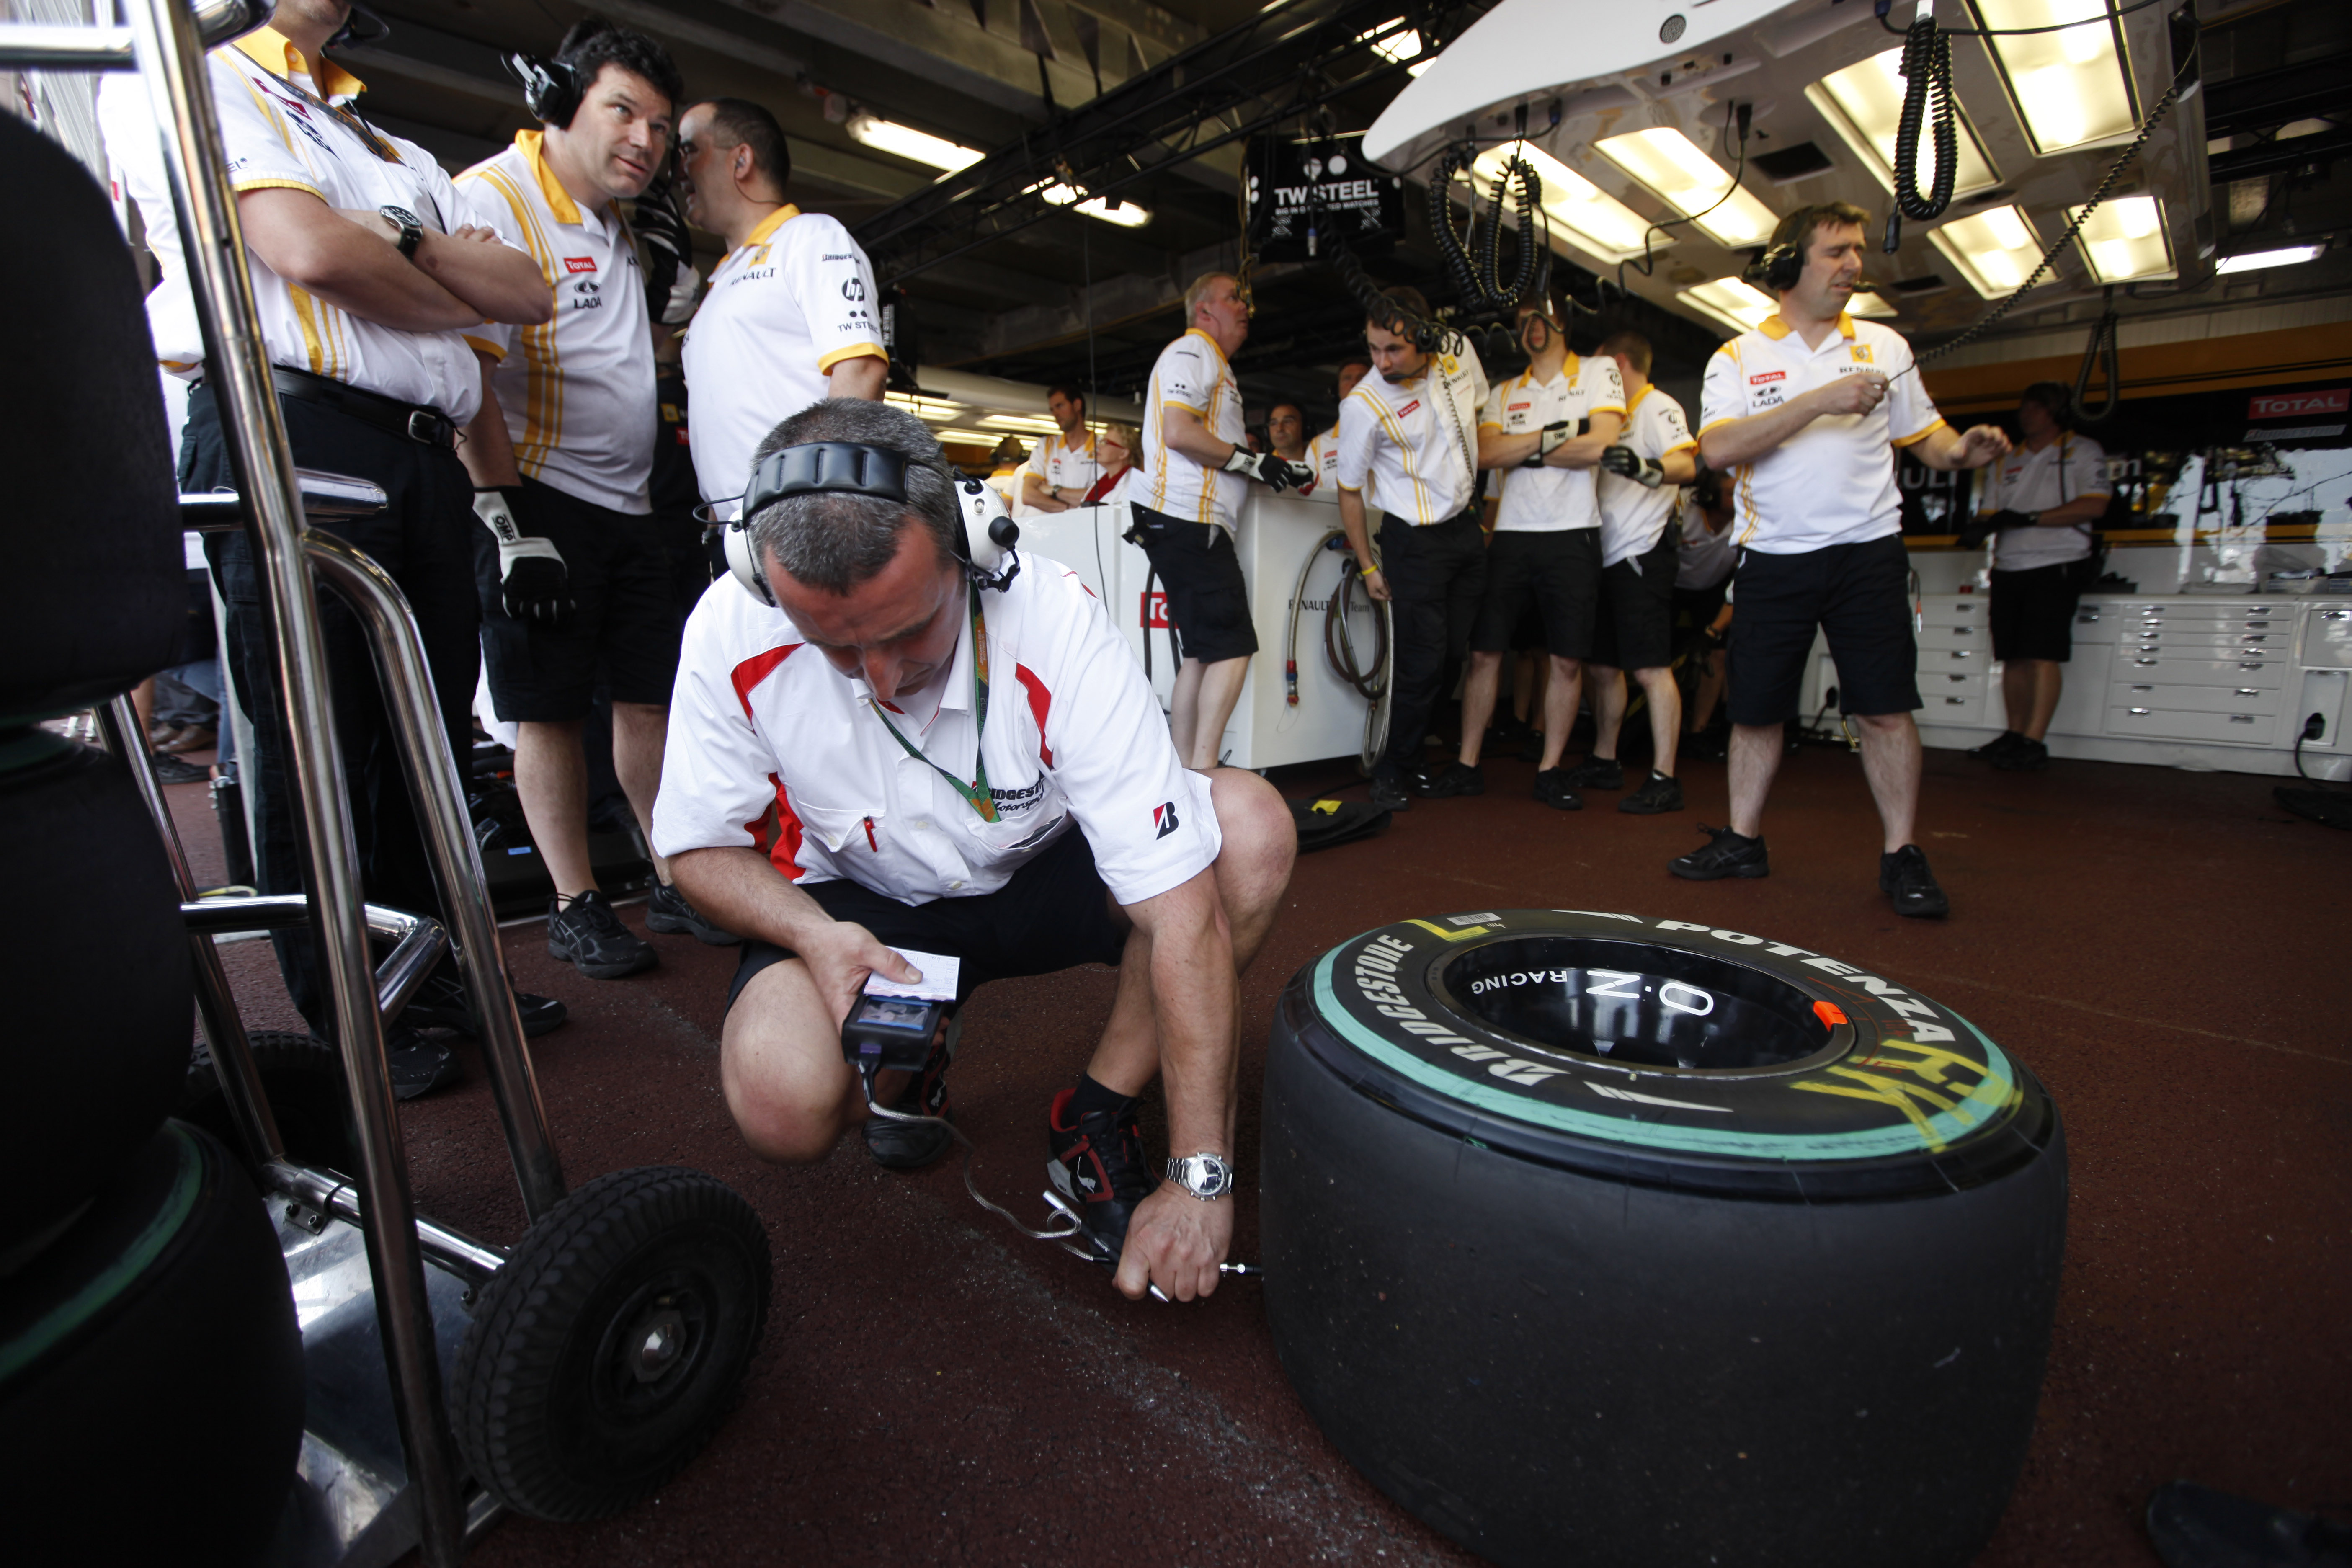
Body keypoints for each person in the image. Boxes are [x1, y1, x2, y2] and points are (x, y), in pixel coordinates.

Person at [652, 399, 1295, 1301]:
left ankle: (1094, 1112)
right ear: (764, 585)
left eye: (908, 631)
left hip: (1042, 874)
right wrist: (812, 936)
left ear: (972, 549)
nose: (883, 680)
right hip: (861, 906)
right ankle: (914, 1056)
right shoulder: (731, 627)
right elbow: (694, 849)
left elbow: (1184, 915)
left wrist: (1199, 1177)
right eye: (837, 647)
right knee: (779, 1103)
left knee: (1250, 829)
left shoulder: (1053, 616)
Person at [98, 0, 561, 1096]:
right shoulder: (200, 71)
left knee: (424, 740)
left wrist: (390, 244)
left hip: (424, 451)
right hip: (289, 421)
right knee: (319, 738)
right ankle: (348, 1006)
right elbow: (305, 249)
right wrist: (441, 278)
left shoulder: (396, 151)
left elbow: (523, 296)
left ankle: (430, 971)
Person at [456, 22, 730, 977]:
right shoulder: (494, 197)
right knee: (551, 708)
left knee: (649, 699)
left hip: (634, 501)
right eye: (623, 112)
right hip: (540, 495)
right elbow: (465, 372)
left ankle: (667, 871)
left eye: (658, 125)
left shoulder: (622, 222)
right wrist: (505, 517)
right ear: (564, 104)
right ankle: (575, 900)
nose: (644, 141)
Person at [1674, 202, 2011, 916]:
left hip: (1867, 552)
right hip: (1774, 555)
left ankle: (1901, 854)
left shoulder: (1884, 345)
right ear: (1789, 264)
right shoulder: (1738, 357)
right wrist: (1820, 399)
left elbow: (1928, 437)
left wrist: (1960, 452)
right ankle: (1743, 840)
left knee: (1884, 709)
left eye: (1857, 250)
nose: (1853, 264)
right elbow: (1719, 449)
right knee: (1755, 711)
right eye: (1835, 252)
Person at [1372, 289, 1609, 810]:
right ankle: (1467, 765)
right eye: (1522, 319)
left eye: (1541, 316)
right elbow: (1485, 454)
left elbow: (1600, 443)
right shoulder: (1504, 392)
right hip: (1512, 534)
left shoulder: (1598, 372)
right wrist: (1557, 438)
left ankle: (1550, 771)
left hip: (1574, 532)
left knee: (1566, 660)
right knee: (1482, 653)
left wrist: (1523, 448)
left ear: (1564, 320)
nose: (1531, 326)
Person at [1131, 272, 1312, 769]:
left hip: (1182, 518)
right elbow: (1179, 431)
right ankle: (1206, 772)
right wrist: (1252, 462)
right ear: (1205, 311)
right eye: (1233, 298)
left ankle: (1186, 770)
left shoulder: (1212, 362)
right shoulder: (1194, 351)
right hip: (1189, 516)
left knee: (1202, 652)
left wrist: (1263, 468)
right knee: (1232, 647)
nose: (1245, 306)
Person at [674, 95, 886, 513]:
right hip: (734, 529)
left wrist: (819, 502)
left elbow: (861, 370)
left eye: (689, 150)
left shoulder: (811, 237)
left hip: (797, 522)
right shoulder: (720, 281)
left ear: (741, 161)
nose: (678, 170)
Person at [1577, 328, 1700, 815]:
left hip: (1643, 554)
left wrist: (1645, 468)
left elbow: (1686, 466)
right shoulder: (1610, 417)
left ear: (1620, 364)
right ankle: (1605, 760)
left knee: (1650, 668)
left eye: (1600, 367)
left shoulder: (1657, 405)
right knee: (1603, 667)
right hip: (1605, 556)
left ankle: (1665, 777)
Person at [1970, 381, 2110, 772]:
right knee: (2012, 656)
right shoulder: (2007, 459)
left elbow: (2095, 505)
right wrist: (1980, 527)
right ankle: (2014, 735)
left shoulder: (2081, 451)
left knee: (2042, 655)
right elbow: (1991, 510)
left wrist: (2032, 518)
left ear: (2055, 412)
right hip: (2008, 566)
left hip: (2057, 562)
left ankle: (2034, 740)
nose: (2026, 414)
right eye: (2024, 407)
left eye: (2035, 407)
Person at [1674, 476, 1738, 756]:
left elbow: (1743, 586)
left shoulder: (1750, 519)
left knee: (1718, 654)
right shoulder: (1682, 510)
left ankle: (1698, 731)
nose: (1742, 498)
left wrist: (1713, 632)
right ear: (1710, 496)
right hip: (1671, 584)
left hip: (1714, 588)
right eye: (1732, 494)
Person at [1016, 385, 1101, 515]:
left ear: (1077, 405)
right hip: (1055, 526)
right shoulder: (1045, 445)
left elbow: (1101, 497)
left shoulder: (1103, 446)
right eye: (1052, 409)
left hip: (1091, 525)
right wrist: (1070, 511)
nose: (1055, 414)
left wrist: (1054, 490)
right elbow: (1028, 496)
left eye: (1060, 406)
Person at [1301, 356, 1369, 495]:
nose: (1354, 383)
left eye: (1362, 378)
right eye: (1347, 378)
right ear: (1336, 391)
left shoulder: (1393, 433)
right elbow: (1311, 498)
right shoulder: (1318, 445)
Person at [1081, 421, 1139, 505]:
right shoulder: (1099, 483)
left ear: (1124, 453)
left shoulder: (1134, 485)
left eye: (1106, 443)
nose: (1098, 447)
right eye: (1100, 442)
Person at [1266, 400, 1309, 467]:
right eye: (1274, 424)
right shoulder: (1264, 469)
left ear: (1304, 426)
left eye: (1288, 422)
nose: (1280, 429)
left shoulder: (1320, 459)